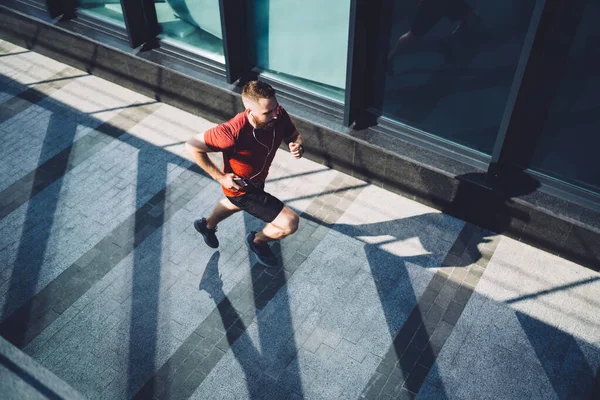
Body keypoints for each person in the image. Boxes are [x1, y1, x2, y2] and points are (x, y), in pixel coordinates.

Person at [185, 81, 304, 267]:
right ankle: (257, 241)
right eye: (267, 113)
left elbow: (293, 134)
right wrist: (220, 177)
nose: (275, 115)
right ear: (249, 110)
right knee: (290, 223)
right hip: (243, 190)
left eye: (275, 108)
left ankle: (206, 225)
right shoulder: (231, 132)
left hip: (256, 182)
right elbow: (192, 146)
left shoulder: (277, 113)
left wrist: (296, 144)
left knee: (233, 204)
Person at [387, 0, 481, 61]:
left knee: (472, 17)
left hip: (446, 3)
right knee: (413, 35)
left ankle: (449, 43)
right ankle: (389, 58)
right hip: (432, 5)